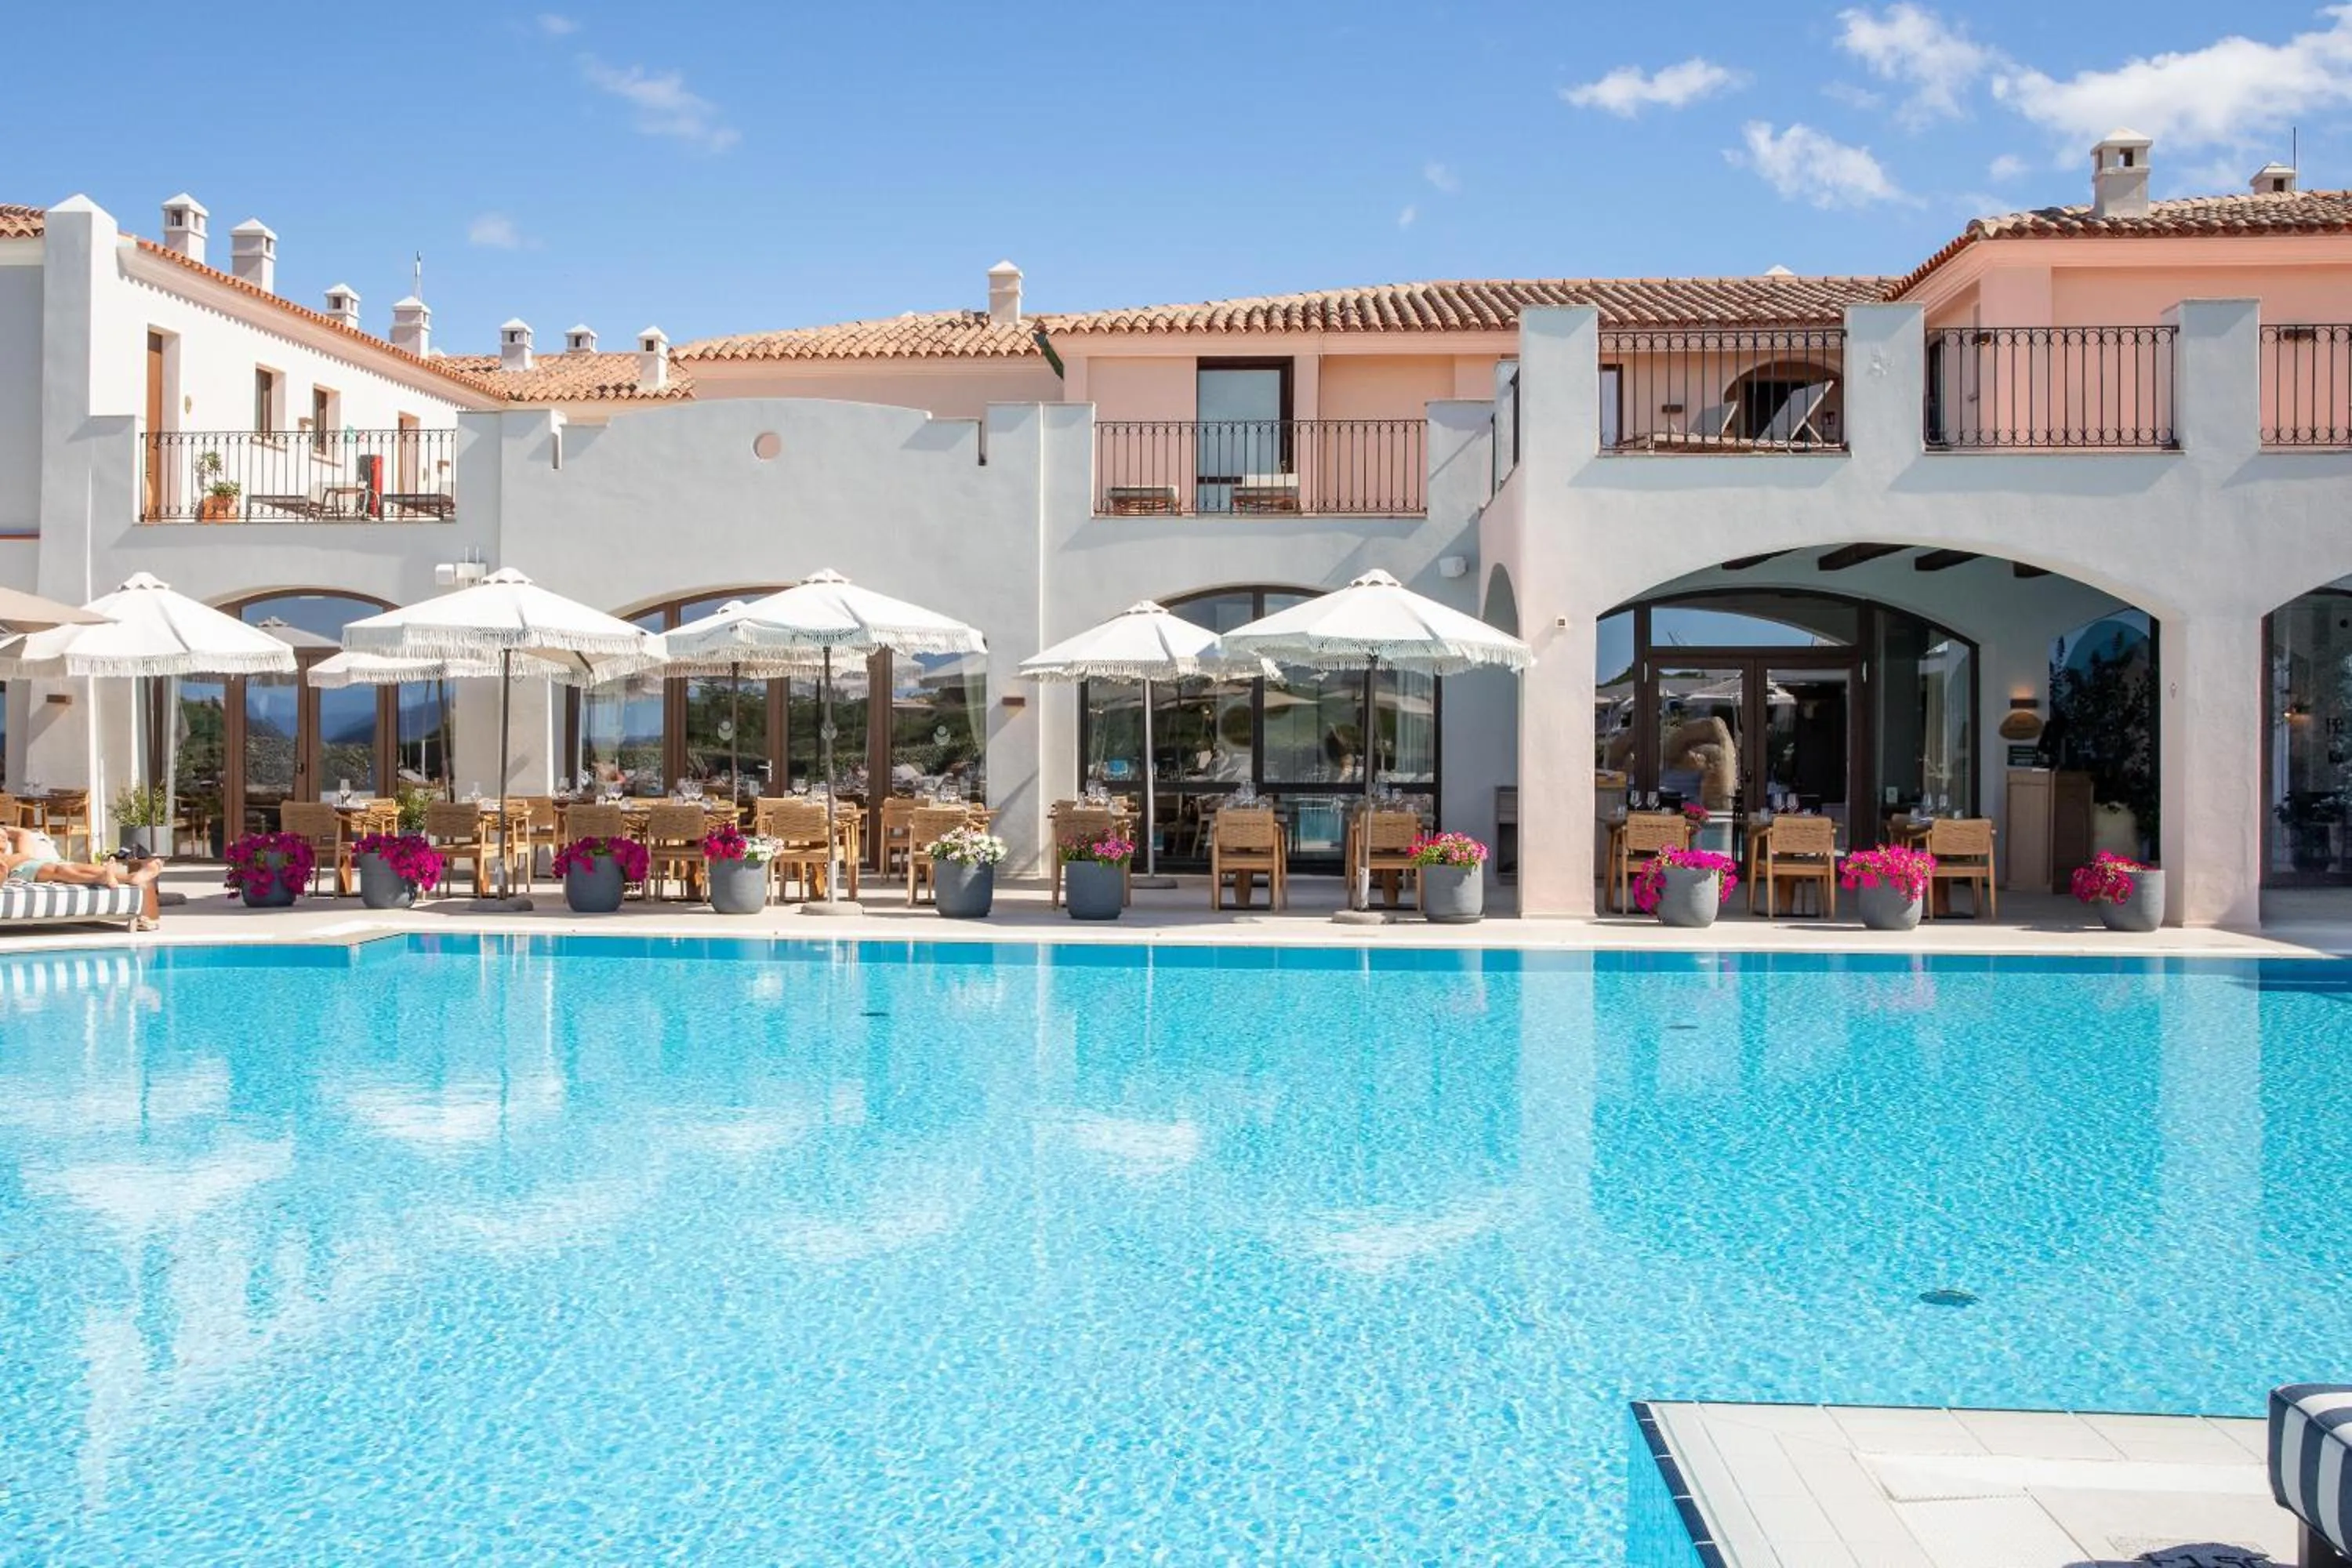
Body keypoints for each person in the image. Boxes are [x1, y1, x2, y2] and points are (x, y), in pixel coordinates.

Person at [1, 827, 163, 930]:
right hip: (23, 870)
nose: (4, 837)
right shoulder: (6, 860)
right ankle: (101, 878)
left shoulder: (20, 852)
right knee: (61, 870)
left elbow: (24, 833)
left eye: (5, 836)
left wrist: (4, 828)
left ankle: (131, 877)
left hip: (41, 862)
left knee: (86, 867)